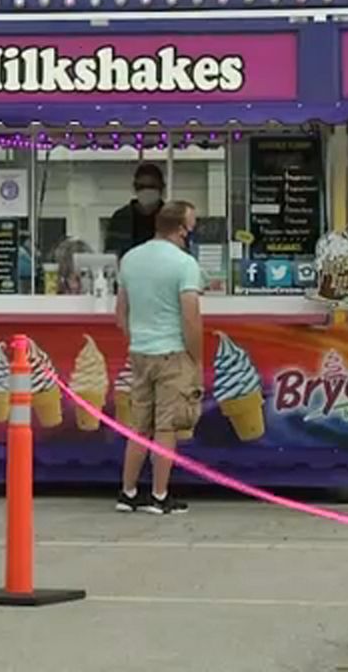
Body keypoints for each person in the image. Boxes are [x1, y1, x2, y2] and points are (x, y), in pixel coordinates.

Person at [114, 200, 203, 515]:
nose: (192, 232)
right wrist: (197, 358)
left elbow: (120, 313)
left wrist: (136, 339)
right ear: (180, 229)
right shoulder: (184, 264)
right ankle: (160, 495)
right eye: (191, 226)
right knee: (166, 428)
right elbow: (190, 318)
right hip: (173, 353)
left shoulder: (130, 259)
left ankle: (127, 492)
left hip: (140, 352)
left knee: (138, 426)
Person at [104, 162, 166, 258]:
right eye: (141, 187)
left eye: (152, 186)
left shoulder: (172, 217)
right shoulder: (120, 218)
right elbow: (110, 254)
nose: (146, 190)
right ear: (134, 188)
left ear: (162, 188)